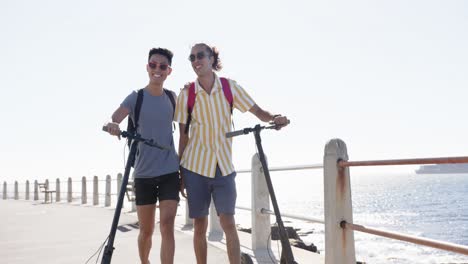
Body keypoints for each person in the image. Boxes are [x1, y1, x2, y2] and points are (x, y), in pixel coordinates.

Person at [174, 43, 289, 264]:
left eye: (200, 56)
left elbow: (258, 111)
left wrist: (275, 118)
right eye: (191, 58)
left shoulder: (229, 88)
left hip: (224, 168)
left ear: (212, 59)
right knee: (200, 224)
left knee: (228, 222)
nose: (196, 60)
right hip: (194, 168)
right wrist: (180, 174)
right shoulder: (187, 93)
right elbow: (183, 136)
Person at [104, 47, 180, 264]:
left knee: (166, 225)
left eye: (162, 66)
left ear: (169, 71)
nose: (157, 69)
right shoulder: (136, 97)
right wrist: (112, 125)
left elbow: (188, 125)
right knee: (146, 231)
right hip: (144, 173)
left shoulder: (172, 98)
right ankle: (145, 262)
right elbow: (115, 118)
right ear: (147, 67)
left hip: (169, 171)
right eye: (153, 65)